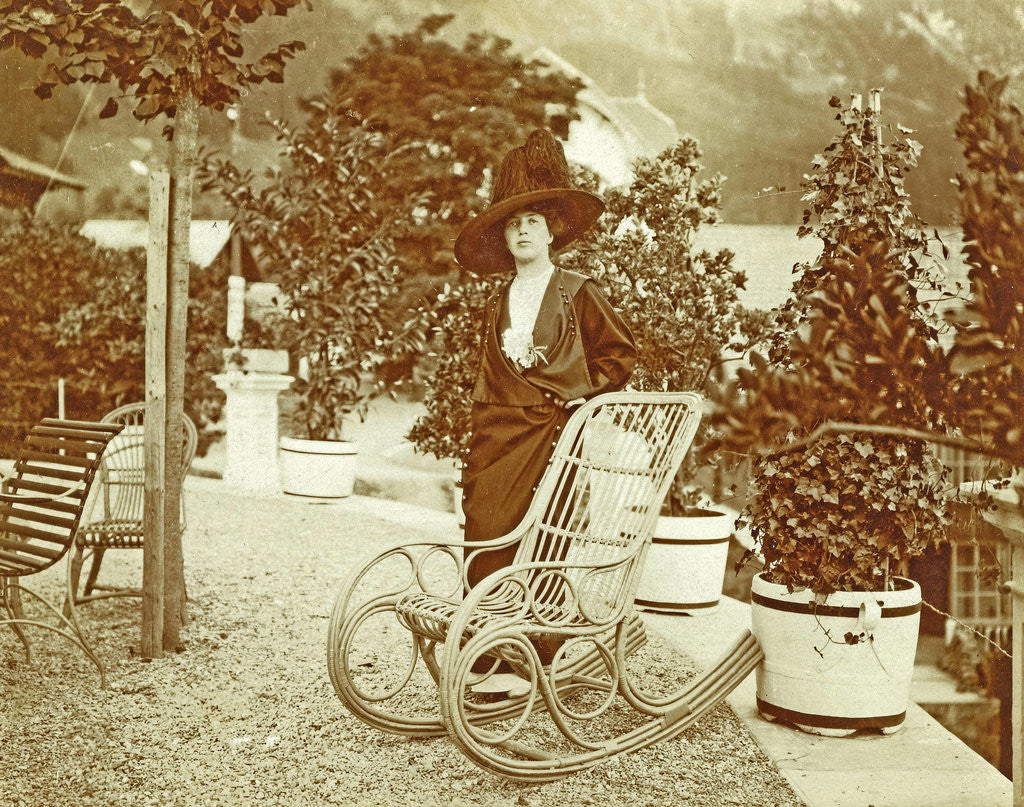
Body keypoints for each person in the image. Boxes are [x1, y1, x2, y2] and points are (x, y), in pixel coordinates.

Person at [453, 128, 637, 693]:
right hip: (497, 435)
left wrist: (583, 400)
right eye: (513, 223)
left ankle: (537, 652)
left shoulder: (576, 290)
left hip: (554, 436)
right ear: (503, 237)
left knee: (547, 539)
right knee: (486, 532)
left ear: (553, 228)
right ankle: (485, 656)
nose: (523, 230)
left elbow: (620, 355)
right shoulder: (498, 300)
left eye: (533, 220)